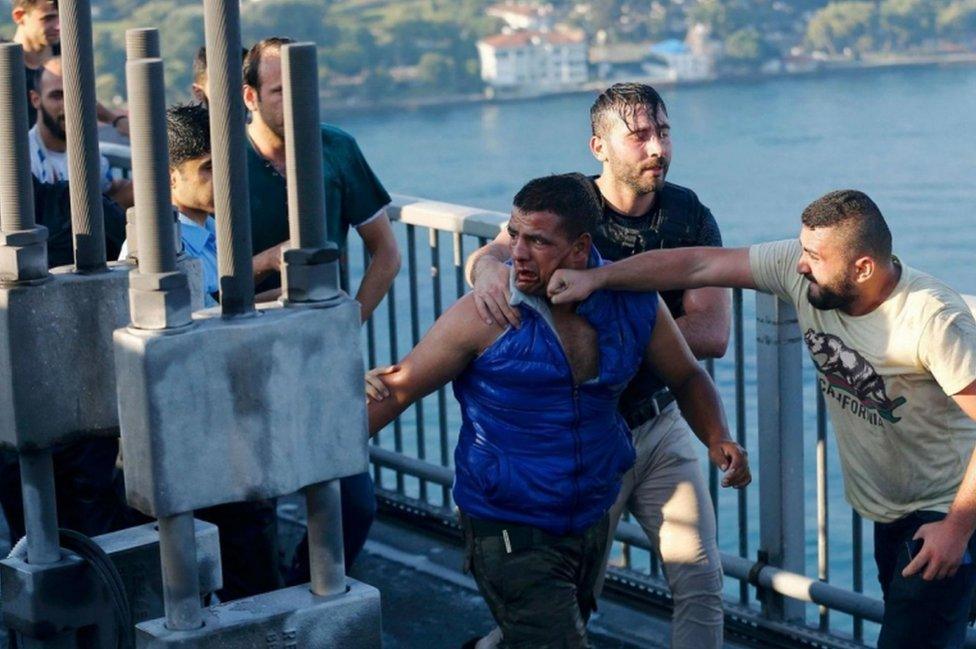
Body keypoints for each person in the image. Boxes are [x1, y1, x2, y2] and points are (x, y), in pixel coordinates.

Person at [547, 189, 976, 649]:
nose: (800, 264)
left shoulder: (934, 320)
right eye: (802, 248)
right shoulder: (805, 274)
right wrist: (600, 278)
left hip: (947, 511)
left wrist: (957, 529)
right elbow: (698, 266)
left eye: (814, 255)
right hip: (890, 513)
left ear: (864, 268)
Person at [367, 173, 749, 649]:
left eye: (538, 241)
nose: (518, 253)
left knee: (543, 633)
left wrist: (718, 437)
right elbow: (400, 389)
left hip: (588, 516)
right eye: (515, 235)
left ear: (579, 247)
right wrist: (328, 456)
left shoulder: (633, 302)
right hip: (509, 523)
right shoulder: (484, 314)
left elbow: (688, 375)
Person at [465, 82, 733, 648]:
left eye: (662, 132)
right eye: (639, 136)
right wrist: (485, 272)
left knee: (702, 577)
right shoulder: (567, 206)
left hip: (660, 423)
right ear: (599, 147)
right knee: (573, 597)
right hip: (583, 434)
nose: (657, 147)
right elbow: (494, 253)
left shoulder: (689, 215)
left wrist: (621, 336)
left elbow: (710, 332)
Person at [242, 36, 400, 580]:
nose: (297, 104)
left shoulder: (335, 148)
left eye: (304, 90)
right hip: (245, 353)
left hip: (322, 355)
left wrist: (347, 322)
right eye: (282, 91)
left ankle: (305, 586)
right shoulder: (222, 161)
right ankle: (268, 603)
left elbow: (386, 253)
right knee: (250, 503)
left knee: (355, 504)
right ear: (250, 97)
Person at [119, 103, 283, 308]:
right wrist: (278, 284)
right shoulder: (159, 247)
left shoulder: (209, 228)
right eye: (210, 167)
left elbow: (217, 300)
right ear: (169, 176)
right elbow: (201, 318)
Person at [28, 57, 134, 209]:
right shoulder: (24, 158)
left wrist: (114, 119)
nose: (68, 105)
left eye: (75, 95)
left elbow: (112, 190)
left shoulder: (87, 151)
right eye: (57, 96)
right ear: (36, 99)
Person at [10, 0, 129, 134]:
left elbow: (80, 97)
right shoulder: (6, 66)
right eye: (48, 18)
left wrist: (116, 120)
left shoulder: (65, 52)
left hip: (63, 150)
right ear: (19, 16)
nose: (58, 26)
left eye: (61, 17)